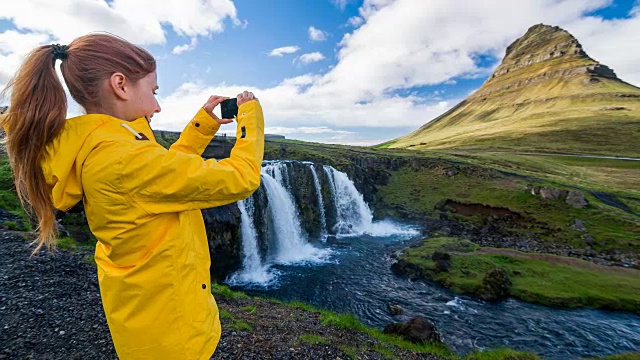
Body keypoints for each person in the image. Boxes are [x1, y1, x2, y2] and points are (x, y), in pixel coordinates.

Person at [1, 33, 264, 359]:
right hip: (172, 334)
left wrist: (202, 126)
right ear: (120, 85)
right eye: (153, 91)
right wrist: (251, 118)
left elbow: (166, 174)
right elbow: (243, 178)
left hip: (145, 315)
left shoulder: (105, 144)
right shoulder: (123, 159)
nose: (157, 105)